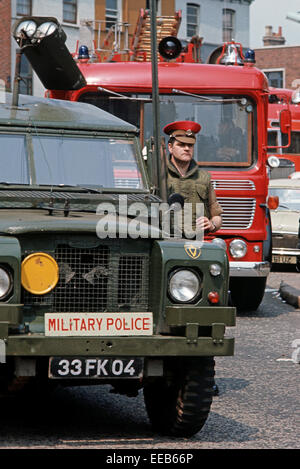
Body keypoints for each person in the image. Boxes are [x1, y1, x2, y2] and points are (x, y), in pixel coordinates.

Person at [164, 120, 223, 234]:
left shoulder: (203, 178)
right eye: (181, 144)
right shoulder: (159, 175)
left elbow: (217, 216)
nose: (187, 148)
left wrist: (212, 224)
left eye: (190, 145)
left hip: (196, 243)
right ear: (170, 147)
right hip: (165, 240)